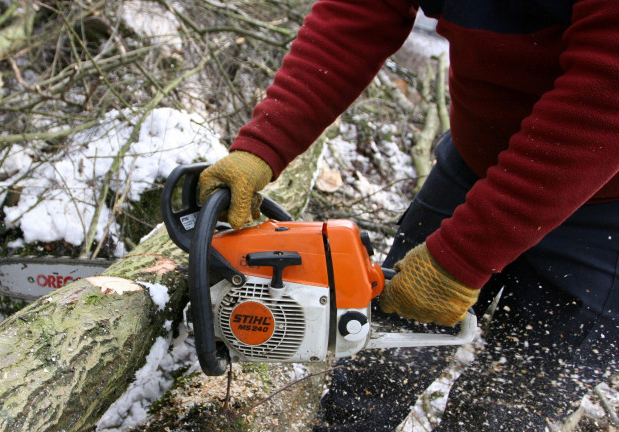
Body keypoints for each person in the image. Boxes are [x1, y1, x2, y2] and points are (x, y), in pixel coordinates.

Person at [198, 0, 619, 430]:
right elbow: (358, 15)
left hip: (608, 211)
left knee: (504, 411)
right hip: (479, 159)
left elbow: (609, 87)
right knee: (373, 369)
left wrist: (462, 257)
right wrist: (264, 146)